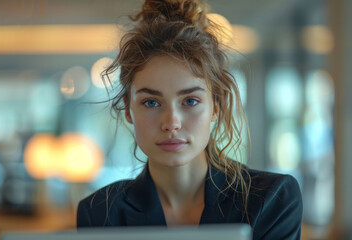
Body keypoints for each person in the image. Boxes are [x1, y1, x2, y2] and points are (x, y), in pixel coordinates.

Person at [77, 0, 303, 239]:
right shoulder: (99, 214)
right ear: (128, 109)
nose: (171, 123)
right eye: (151, 102)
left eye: (190, 101)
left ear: (216, 106)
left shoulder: (271, 200)